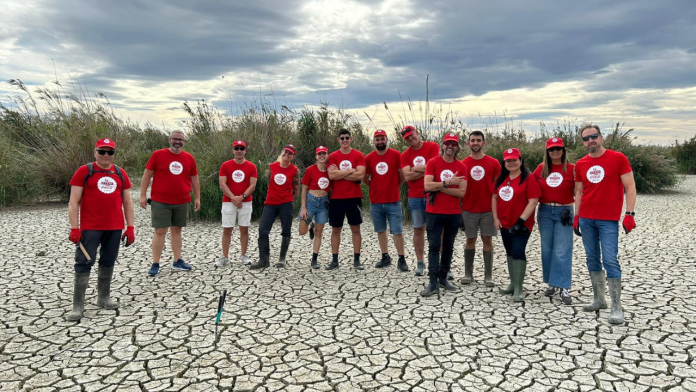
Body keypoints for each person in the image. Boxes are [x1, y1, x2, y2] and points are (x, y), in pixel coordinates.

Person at [66, 138, 135, 321]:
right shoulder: (85, 171)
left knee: (108, 261)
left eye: (110, 152)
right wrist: (75, 228)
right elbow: (73, 202)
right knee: (83, 262)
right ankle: (78, 305)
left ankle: (103, 297)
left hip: (114, 226)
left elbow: (127, 202)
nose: (106, 155)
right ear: (95, 152)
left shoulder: (120, 173)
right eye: (102, 151)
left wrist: (130, 227)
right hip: (91, 227)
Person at [575, 124, 636, 325]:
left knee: (610, 259)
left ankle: (616, 306)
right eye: (586, 138)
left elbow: (630, 186)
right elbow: (579, 192)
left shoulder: (617, 158)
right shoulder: (581, 164)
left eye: (593, 136)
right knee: (592, 258)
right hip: (586, 218)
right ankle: (599, 299)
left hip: (608, 219)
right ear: (583, 142)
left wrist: (629, 213)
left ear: (601, 137)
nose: (590, 140)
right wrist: (576, 216)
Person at [140, 130, 200, 277]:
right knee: (160, 231)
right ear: (169, 140)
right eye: (175, 139)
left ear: (184, 142)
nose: (177, 142)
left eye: (180, 140)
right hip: (161, 201)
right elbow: (147, 174)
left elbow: (194, 178)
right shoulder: (158, 155)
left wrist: (197, 197)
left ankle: (177, 260)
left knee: (177, 230)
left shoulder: (189, 158)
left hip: (181, 200)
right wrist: (142, 195)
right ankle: (155, 263)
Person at [421, 133, 467, 296]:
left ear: (457, 147)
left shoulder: (461, 167)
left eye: (454, 144)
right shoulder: (433, 163)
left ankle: (443, 278)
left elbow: (461, 192)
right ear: (442, 145)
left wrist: (440, 188)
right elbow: (427, 185)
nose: (450, 146)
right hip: (434, 212)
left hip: (453, 213)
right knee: (434, 247)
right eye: (448, 143)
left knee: (448, 246)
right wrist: (448, 183)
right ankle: (432, 282)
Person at [493, 148, 541, 302]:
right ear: (504, 162)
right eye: (508, 160)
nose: (511, 163)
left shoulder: (529, 178)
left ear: (520, 161)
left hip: (522, 224)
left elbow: (533, 201)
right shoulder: (501, 178)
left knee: (518, 251)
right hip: (504, 222)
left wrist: (520, 220)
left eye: (514, 160)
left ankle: (519, 289)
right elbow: (494, 198)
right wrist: (495, 218)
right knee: (509, 251)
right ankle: (513, 284)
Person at [533, 137, 575, 305]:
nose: (555, 151)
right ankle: (551, 282)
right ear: (547, 152)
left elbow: (579, 191)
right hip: (545, 211)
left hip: (564, 211)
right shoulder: (541, 169)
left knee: (562, 250)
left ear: (563, 150)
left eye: (558, 148)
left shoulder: (572, 169)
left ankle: (564, 286)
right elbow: (531, 189)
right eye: (551, 149)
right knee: (547, 249)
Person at [460, 131, 502, 286]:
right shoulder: (463, 164)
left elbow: (499, 187)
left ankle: (488, 276)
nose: (475, 143)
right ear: (468, 143)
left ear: (484, 143)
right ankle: (468, 274)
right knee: (470, 239)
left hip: (488, 210)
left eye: (478, 140)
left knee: (487, 239)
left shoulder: (494, 163)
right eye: (473, 140)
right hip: (469, 208)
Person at [249, 144, 300, 269]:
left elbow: (296, 189)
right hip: (271, 203)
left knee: (286, 229)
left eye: (290, 153)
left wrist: (286, 195)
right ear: (282, 152)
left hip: (286, 203)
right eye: (286, 152)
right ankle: (264, 259)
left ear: (293, 156)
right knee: (263, 230)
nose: (287, 154)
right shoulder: (272, 167)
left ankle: (282, 259)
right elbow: (269, 183)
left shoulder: (294, 170)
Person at [364, 129, 407, 271]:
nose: (380, 142)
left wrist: (395, 186)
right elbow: (365, 177)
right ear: (374, 141)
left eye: (382, 139)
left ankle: (401, 258)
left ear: (387, 139)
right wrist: (374, 185)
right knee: (380, 230)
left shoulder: (395, 155)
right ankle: (385, 256)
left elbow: (403, 175)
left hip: (393, 200)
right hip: (375, 201)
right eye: (377, 139)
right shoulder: (369, 158)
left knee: (397, 231)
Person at [400, 125, 441, 276]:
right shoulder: (405, 155)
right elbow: (407, 177)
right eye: (407, 138)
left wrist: (413, 168)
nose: (411, 139)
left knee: (437, 229)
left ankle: (440, 263)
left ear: (417, 132)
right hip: (415, 197)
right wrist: (426, 169)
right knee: (418, 229)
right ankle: (420, 262)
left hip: (432, 194)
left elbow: (436, 167)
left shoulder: (432, 146)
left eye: (412, 135)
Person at [326, 128, 366, 270]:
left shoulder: (358, 155)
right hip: (337, 198)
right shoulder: (333, 156)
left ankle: (356, 260)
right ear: (338, 140)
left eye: (347, 138)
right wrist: (351, 170)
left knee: (355, 229)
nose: (344, 141)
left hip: (354, 197)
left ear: (351, 139)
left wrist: (340, 173)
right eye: (342, 138)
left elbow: (360, 176)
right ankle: (335, 260)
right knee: (336, 229)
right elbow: (332, 176)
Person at [216, 140, 258, 268]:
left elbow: (253, 185)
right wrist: (234, 198)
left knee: (244, 228)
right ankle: (225, 257)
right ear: (233, 150)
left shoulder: (251, 166)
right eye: (236, 148)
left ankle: (244, 255)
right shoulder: (225, 165)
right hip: (228, 201)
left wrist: (242, 197)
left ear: (245, 150)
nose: (239, 151)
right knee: (227, 229)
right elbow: (222, 184)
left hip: (246, 201)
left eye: (241, 148)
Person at [298, 146, 331, 269]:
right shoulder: (310, 170)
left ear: (327, 155)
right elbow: (304, 188)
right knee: (302, 231)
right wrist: (303, 207)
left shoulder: (330, 170)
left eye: (324, 153)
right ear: (316, 156)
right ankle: (310, 225)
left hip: (323, 203)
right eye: (319, 154)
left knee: (319, 232)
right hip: (311, 202)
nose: (322, 156)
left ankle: (314, 259)